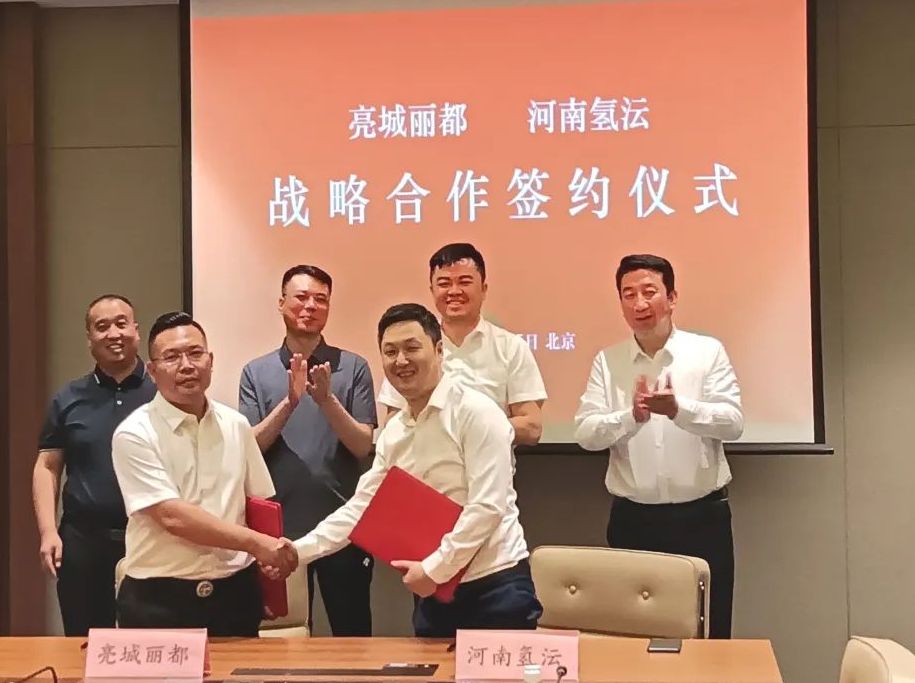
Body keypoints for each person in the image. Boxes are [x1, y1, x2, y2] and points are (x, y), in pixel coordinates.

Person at [292, 303, 542, 638]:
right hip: (433, 591)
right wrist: (296, 552)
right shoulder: (394, 432)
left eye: (411, 348)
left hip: (494, 586)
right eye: (390, 352)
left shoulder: (477, 412)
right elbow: (363, 507)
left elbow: (487, 507)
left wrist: (435, 569)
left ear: (439, 351)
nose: (401, 361)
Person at [573, 254, 743, 638]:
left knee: (710, 632)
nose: (639, 303)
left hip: (703, 518)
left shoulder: (707, 352)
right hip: (634, 521)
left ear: (672, 297)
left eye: (649, 292)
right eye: (628, 294)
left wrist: (679, 410)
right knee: (634, 637)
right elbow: (586, 433)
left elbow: (733, 423)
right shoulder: (608, 361)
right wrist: (630, 417)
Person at [111, 311, 298, 636]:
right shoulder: (135, 433)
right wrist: (257, 544)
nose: (186, 365)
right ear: (152, 371)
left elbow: (258, 505)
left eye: (195, 353)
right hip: (159, 599)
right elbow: (172, 516)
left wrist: (267, 571)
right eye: (172, 357)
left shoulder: (236, 425)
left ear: (210, 361)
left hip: (235, 594)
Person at [239, 265, 377, 636]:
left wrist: (326, 399)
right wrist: (290, 402)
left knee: (353, 635)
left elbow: (362, 445)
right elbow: (250, 448)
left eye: (320, 299)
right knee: (283, 638)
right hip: (279, 533)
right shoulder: (256, 372)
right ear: (281, 303)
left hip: (344, 527)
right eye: (301, 297)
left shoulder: (353, 367)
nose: (310, 306)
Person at [33, 294, 156, 637]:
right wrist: (47, 531)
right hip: (84, 541)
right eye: (102, 327)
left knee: (151, 643)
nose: (113, 333)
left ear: (136, 330)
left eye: (121, 324)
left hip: (152, 538)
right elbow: (47, 466)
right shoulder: (68, 398)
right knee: (83, 644)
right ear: (89, 338)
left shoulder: (163, 393)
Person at [377, 243, 546, 445]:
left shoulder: (511, 347)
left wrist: (466, 429)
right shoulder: (412, 347)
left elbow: (531, 427)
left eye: (464, 282)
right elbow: (393, 420)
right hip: (420, 462)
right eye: (444, 283)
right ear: (432, 290)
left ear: (483, 289)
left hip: (490, 462)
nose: (454, 291)